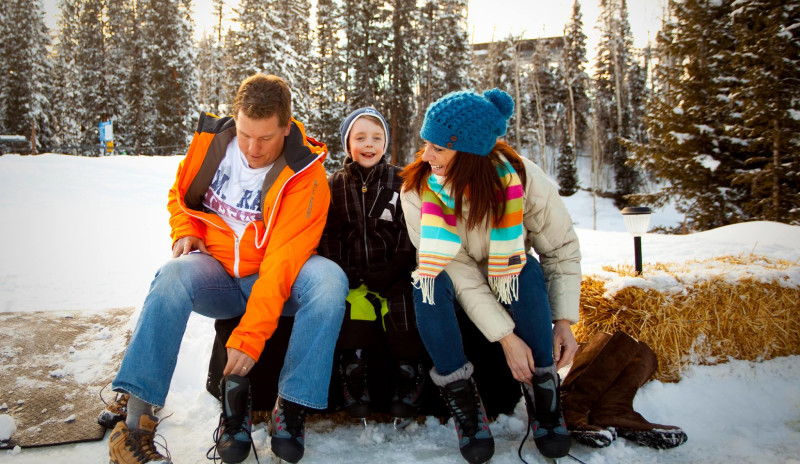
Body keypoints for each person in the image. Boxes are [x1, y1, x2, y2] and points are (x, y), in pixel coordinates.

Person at [105, 73, 347, 464]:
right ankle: (135, 424)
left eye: (266, 138)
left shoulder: (306, 174)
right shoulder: (212, 144)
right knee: (171, 276)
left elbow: (283, 262)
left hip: (273, 276)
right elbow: (180, 192)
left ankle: (291, 407)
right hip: (216, 273)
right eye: (245, 133)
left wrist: (250, 339)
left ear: (286, 127)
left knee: (329, 282)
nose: (252, 148)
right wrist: (185, 229)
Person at [399, 88, 582, 464]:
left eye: (439, 148)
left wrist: (563, 321)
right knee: (427, 280)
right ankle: (465, 405)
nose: (426, 155)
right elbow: (459, 271)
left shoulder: (521, 178)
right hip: (461, 282)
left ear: (469, 154)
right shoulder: (418, 191)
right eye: (427, 144)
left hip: (508, 273)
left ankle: (544, 395)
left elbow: (560, 248)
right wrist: (506, 338)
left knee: (527, 267)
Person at [317, 107, 427, 422]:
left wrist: (397, 267)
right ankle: (353, 375)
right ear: (347, 143)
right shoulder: (334, 184)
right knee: (353, 314)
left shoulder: (401, 180)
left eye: (376, 138)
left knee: (403, 308)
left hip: (393, 272)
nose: (369, 144)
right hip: (352, 274)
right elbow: (330, 232)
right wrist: (343, 270)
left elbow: (410, 228)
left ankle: (410, 374)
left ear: (385, 143)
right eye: (360, 137)